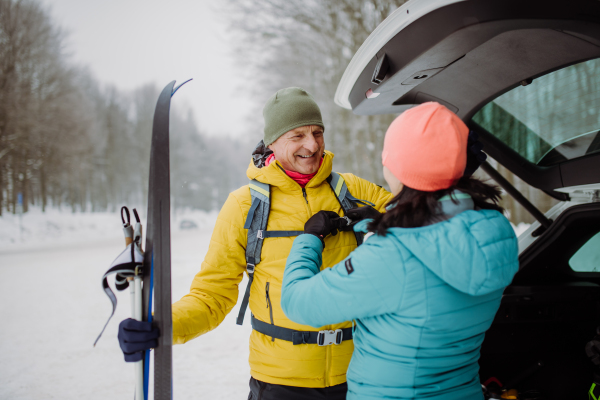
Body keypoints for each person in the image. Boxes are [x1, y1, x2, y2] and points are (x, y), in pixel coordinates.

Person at [118, 87, 392, 399]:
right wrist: (160, 324)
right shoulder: (245, 205)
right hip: (279, 383)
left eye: (317, 132)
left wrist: (388, 219)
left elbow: (423, 218)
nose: (312, 144)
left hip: (359, 375)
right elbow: (212, 295)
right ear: (273, 142)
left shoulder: (353, 189)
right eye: (298, 135)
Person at [280, 102, 519, 400]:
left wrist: (309, 239)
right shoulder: (493, 230)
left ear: (398, 166)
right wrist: (383, 222)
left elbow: (297, 302)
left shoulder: (390, 256)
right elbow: (430, 249)